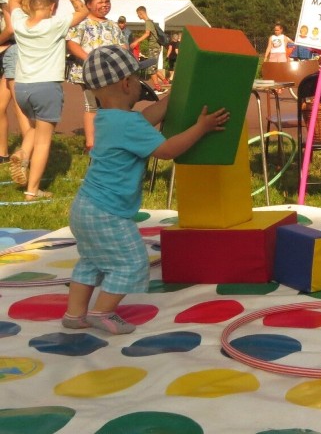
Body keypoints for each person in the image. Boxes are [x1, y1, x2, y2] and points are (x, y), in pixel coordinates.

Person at [62, 45, 229, 334]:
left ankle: (74, 315)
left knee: (92, 261)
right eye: (139, 78)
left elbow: (147, 116)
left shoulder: (108, 119)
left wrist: (171, 98)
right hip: (108, 213)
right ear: (127, 84)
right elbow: (165, 150)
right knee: (131, 262)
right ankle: (103, 312)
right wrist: (200, 128)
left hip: (85, 208)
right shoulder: (126, 124)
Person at [7, 0, 89, 200]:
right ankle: (32, 191)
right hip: (46, 88)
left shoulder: (20, 22)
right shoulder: (55, 24)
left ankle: (22, 153)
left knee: (34, 128)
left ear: (31, 3)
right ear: (53, 6)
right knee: (44, 140)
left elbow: (13, 0)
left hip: (22, 88)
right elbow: (82, 10)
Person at [66, 0, 125, 152]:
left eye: (107, 2)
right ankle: (91, 143)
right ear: (89, 5)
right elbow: (73, 44)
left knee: (109, 105)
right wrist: (89, 59)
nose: (105, 5)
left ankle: (108, 139)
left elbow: (122, 46)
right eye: (100, 2)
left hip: (110, 73)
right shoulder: (82, 23)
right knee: (91, 105)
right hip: (89, 72)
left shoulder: (113, 26)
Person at [0, 0, 33, 164]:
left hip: (12, 50)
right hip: (22, 50)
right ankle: (3, 153)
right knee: (1, 105)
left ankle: (26, 155)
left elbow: (10, 28)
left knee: (20, 107)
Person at [131, 5, 168, 92]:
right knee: (153, 67)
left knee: (151, 68)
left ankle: (157, 87)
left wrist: (137, 41)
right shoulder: (151, 22)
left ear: (141, 13)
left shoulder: (148, 22)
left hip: (153, 47)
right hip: (156, 46)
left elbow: (147, 34)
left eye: (138, 14)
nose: (138, 16)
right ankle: (165, 82)